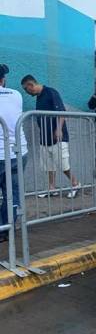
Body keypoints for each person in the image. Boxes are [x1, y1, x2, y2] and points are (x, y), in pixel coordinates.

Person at [20, 75, 80, 198]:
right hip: (45, 138)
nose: (26, 92)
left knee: (63, 164)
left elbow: (61, 111)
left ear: (31, 85)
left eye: (26, 89)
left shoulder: (51, 92)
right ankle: (51, 188)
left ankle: (75, 183)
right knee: (48, 165)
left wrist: (58, 129)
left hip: (58, 137)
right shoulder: (39, 97)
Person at [0, 64, 28, 241]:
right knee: (14, 192)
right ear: (3, 79)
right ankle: (6, 228)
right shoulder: (16, 94)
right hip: (18, 152)